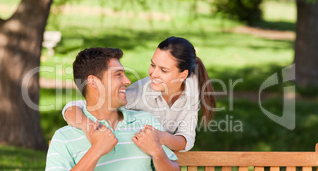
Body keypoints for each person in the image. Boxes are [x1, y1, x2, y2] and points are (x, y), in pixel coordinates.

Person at [44, 47, 180, 171]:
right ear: (94, 82)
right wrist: (96, 150)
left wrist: (157, 152)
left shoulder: (145, 123)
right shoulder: (65, 137)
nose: (127, 81)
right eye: (118, 75)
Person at [63, 36, 216, 152]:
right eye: (153, 65)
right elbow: (80, 106)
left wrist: (161, 137)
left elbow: (186, 139)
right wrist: (86, 125)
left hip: (158, 159)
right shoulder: (139, 93)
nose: (153, 74)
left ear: (182, 76)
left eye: (163, 70)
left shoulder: (192, 89)